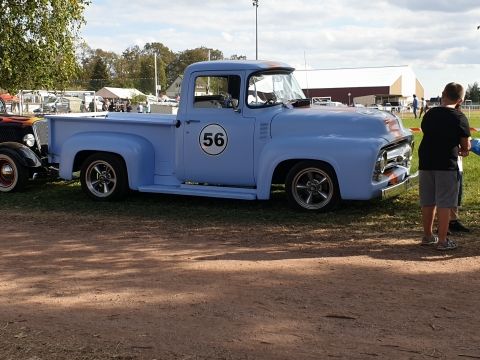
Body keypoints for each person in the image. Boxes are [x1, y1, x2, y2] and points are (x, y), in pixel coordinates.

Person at [418, 82, 471, 251]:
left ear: (443, 94)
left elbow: (427, 131)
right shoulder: (459, 117)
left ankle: (427, 236)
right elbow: (465, 144)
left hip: (426, 161)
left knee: (428, 200)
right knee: (445, 202)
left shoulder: (430, 113)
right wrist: (464, 150)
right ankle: (442, 240)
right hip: (446, 163)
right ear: (461, 100)